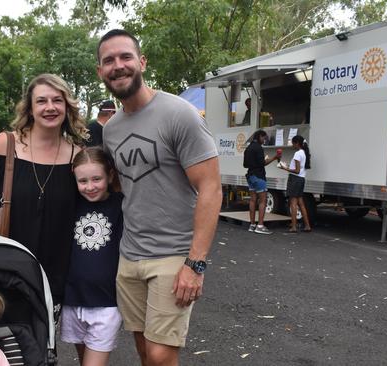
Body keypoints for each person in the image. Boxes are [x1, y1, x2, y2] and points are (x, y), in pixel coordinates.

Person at [96, 29, 221, 366]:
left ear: (142, 62)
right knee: (143, 351)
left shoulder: (179, 114)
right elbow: (124, 186)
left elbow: (211, 188)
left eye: (125, 57)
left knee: (161, 355)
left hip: (173, 255)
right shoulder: (112, 129)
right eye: (109, 60)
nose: (118, 66)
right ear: (100, 72)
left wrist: (195, 264)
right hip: (130, 256)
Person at [0, 73, 86, 309]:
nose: (50, 107)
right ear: (30, 109)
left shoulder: (77, 156)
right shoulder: (5, 144)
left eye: (57, 100)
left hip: (52, 277)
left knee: (41, 342)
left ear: (67, 107)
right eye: (41, 101)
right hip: (1, 270)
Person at [61, 147, 123, 366]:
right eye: (83, 181)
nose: (90, 187)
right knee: (84, 360)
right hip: (73, 299)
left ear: (110, 175)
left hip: (106, 303)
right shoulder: (71, 205)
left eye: (97, 179)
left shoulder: (120, 205)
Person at [243, 130, 280, 235]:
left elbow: (245, 164)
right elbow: (262, 163)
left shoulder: (248, 148)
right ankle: (260, 225)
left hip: (250, 176)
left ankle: (252, 224)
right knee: (263, 201)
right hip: (259, 176)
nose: (264, 141)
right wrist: (274, 158)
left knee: (253, 200)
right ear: (259, 136)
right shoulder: (258, 148)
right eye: (264, 138)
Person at [279, 135, 312, 232]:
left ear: (297, 143)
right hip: (301, 179)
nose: (292, 145)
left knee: (293, 203)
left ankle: (294, 226)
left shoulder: (297, 154)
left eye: (293, 143)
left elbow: (296, 171)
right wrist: (289, 166)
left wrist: (284, 168)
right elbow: (299, 169)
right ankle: (307, 225)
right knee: (301, 203)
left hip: (295, 179)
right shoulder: (304, 153)